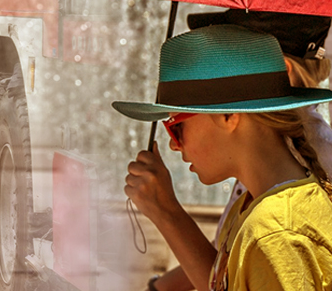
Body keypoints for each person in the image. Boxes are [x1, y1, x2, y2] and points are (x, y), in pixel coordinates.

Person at [115, 24, 332, 291]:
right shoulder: (249, 206)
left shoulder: (275, 235)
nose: (174, 146)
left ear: (228, 116)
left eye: (176, 126)